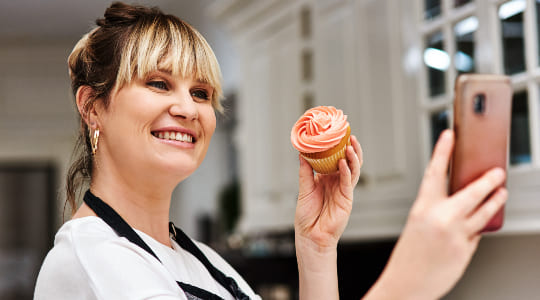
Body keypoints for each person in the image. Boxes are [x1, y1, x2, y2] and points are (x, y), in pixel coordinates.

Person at [34, 2, 507, 300]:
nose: (187, 108)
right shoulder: (89, 262)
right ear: (93, 106)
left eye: (201, 93)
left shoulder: (204, 261)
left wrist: (316, 251)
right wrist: (410, 283)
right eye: (159, 83)